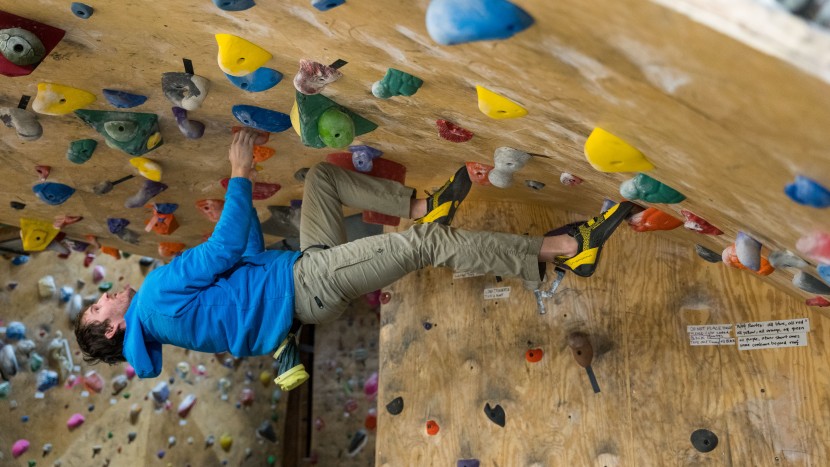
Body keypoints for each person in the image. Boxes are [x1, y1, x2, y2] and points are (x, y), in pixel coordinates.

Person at [74, 129, 634, 389]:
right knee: (423, 246)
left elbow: (238, 260)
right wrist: (240, 172)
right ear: (116, 326)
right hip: (305, 283)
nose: (103, 298)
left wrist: (241, 207)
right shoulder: (153, 300)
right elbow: (222, 248)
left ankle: (424, 204)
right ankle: (565, 249)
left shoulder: (166, 324)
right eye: (98, 310)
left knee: (322, 180)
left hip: (296, 279)